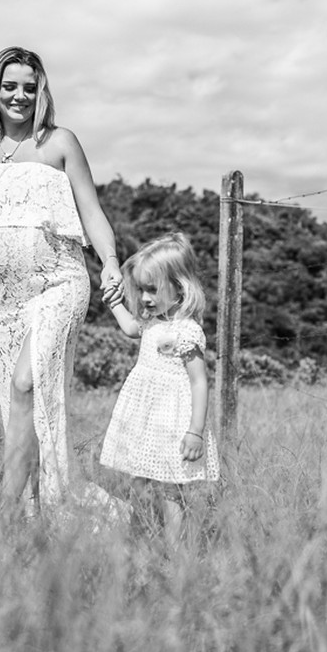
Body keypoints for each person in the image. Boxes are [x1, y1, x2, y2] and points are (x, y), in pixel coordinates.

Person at [0, 46, 122, 517]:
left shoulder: (59, 142)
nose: (20, 96)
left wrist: (109, 260)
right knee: (19, 409)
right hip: (2, 300)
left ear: (41, 91)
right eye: (10, 87)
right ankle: (37, 515)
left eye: (30, 87)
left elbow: (91, 211)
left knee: (26, 385)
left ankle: (3, 511)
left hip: (59, 283)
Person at [100, 232, 220, 545]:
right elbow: (130, 328)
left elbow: (199, 381)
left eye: (152, 289)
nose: (144, 298)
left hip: (171, 421)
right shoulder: (152, 322)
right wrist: (114, 302)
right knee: (137, 478)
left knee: (170, 489)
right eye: (141, 289)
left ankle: (174, 550)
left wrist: (195, 431)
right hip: (145, 420)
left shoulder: (187, 330)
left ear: (180, 287)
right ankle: (140, 537)